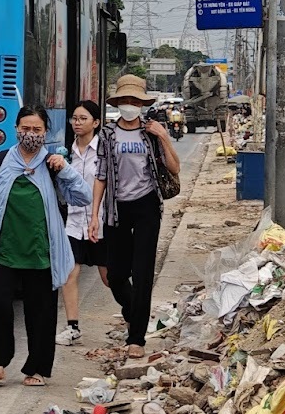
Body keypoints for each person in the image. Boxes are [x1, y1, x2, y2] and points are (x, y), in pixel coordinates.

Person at [0, 105, 91, 388]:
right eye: (26, 128)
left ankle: (38, 368)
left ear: (46, 133)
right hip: (4, 250)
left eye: (37, 129)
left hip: (41, 252)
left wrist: (66, 170)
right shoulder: (0, 160)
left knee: (41, 313)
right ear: (16, 129)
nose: (31, 134)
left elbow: (84, 197)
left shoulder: (53, 165)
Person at [88, 74, 180, 358]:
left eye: (135, 101)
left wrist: (164, 136)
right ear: (118, 103)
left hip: (147, 208)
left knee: (142, 274)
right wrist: (94, 215)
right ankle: (133, 310)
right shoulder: (107, 135)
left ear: (142, 104)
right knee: (115, 275)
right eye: (125, 100)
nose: (130, 105)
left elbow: (174, 169)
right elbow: (101, 176)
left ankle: (136, 338)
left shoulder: (151, 133)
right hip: (116, 210)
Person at [55, 99, 109, 346]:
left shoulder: (105, 151)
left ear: (96, 123)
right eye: (74, 118)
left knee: (110, 277)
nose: (77, 123)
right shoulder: (66, 153)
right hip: (75, 223)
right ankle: (72, 327)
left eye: (83, 118)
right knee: (69, 274)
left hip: (101, 223)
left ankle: (132, 321)